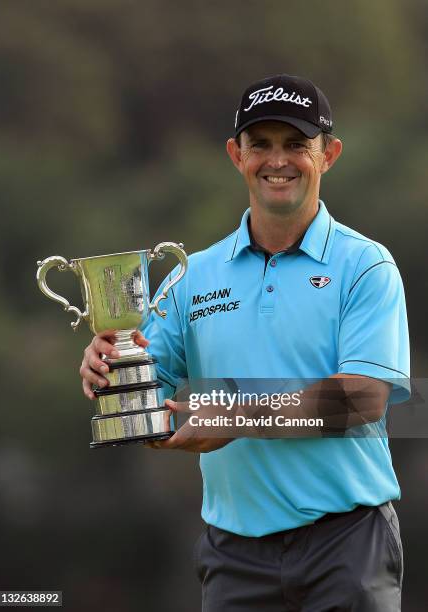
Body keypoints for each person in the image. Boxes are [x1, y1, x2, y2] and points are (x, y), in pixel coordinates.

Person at [80, 74, 410, 611]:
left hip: (347, 545)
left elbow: (361, 399)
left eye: (296, 145)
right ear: (236, 154)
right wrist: (108, 369)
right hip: (235, 553)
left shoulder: (365, 266)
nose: (277, 160)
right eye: (261, 144)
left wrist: (230, 418)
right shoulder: (193, 275)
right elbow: (149, 388)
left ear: (329, 155)